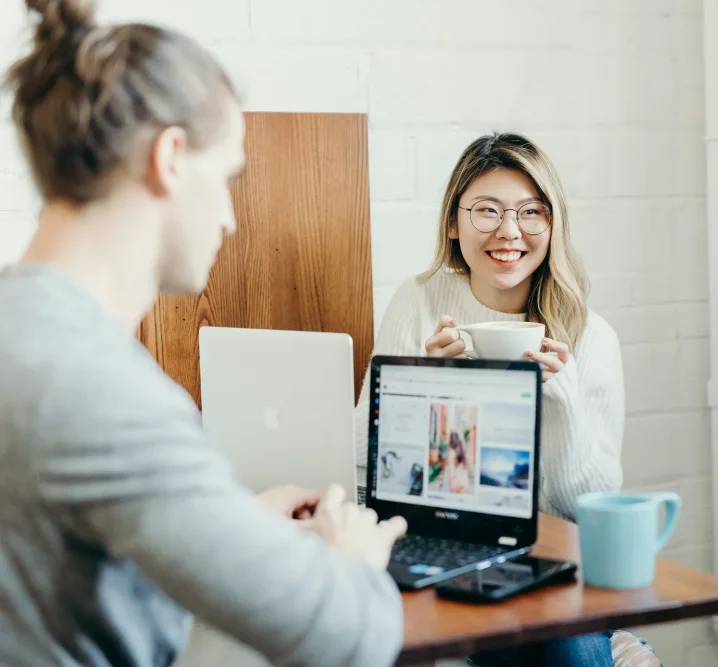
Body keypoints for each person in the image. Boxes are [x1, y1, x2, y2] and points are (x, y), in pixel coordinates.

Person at [0, 2, 407, 666]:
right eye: (227, 180)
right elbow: (350, 635)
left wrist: (229, 524)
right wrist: (352, 560)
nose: (229, 219)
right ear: (170, 157)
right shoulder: (100, 387)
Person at [354, 133, 661, 666]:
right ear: (453, 222)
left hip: (545, 555)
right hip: (440, 542)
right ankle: (619, 640)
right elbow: (366, 464)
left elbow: (586, 507)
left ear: (552, 224)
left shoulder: (589, 337)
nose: (509, 232)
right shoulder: (420, 302)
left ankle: (614, 637)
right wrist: (426, 389)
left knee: (568, 652)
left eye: (530, 213)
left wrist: (560, 400)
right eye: (487, 211)